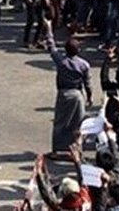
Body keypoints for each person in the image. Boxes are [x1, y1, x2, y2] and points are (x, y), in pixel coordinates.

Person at [44, 19, 91, 154]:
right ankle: (77, 149)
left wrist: (49, 29)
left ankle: (57, 149)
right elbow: (87, 83)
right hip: (77, 95)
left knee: (60, 122)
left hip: (64, 93)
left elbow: (51, 47)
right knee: (78, 123)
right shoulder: (84, 65)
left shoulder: (62, 62)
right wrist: (89, 96)